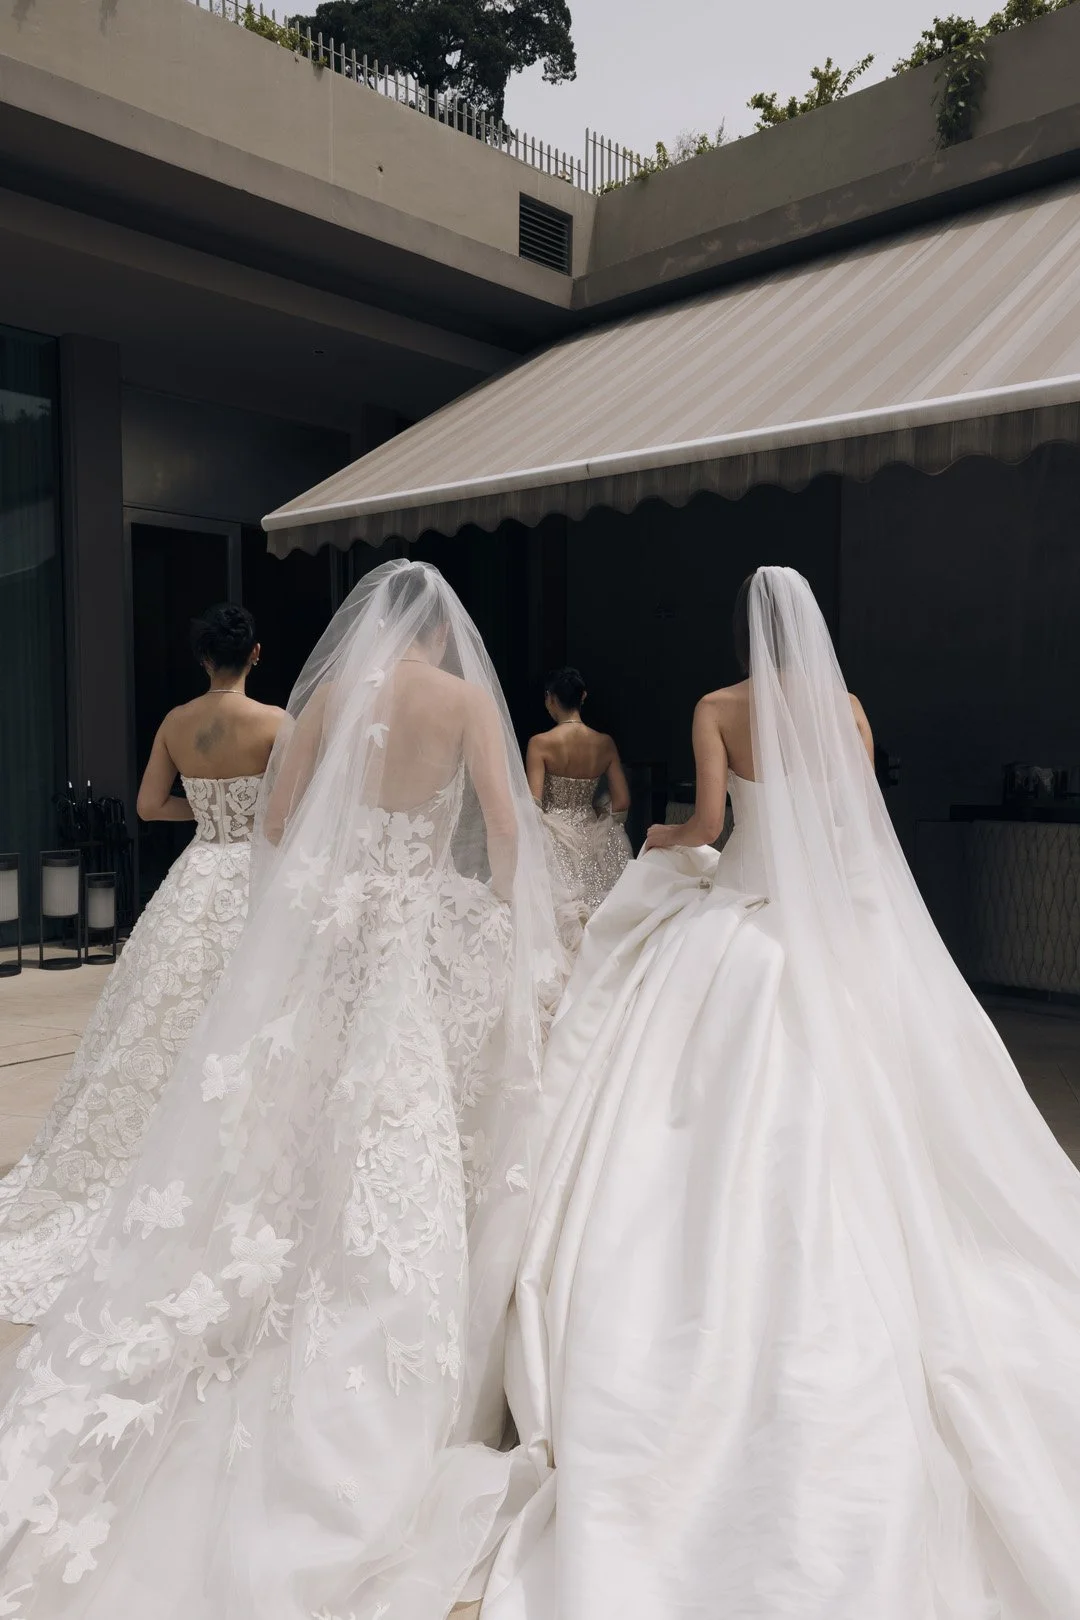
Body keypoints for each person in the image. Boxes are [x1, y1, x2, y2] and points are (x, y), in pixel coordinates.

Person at [482, 567, 1080, 1620]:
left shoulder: (719, 708)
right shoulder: (844, 709)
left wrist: (665, 842)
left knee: (692, 1091)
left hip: (749, 919)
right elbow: (854, 824)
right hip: (837, 923)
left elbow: (711, 825)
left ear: (742, 631)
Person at [0, 561, 563, 1620]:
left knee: (299, 1122)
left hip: (333, 947)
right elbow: (502, 824)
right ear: (440, 635)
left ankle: (274, 1290)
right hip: (405, 946)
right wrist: (497, 922)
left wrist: (322, 902)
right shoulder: (461, 702)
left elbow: (273, 827)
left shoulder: (332, 698)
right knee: (394, 1132)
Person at [0, 605, 283, 1326]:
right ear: (255, 653)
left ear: (202, 658)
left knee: (163, 1018)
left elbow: (151, 806)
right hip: (256, 876)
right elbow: (292, 812)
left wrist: (209, 814)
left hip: (197, 876)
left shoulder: (175, 722)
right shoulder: (278, 723)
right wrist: (248, 817)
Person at [526, 668, 631, 937]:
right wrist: (598, 815)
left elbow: (533, 803)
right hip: (591, 832)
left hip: (553, 836)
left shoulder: (540, 744)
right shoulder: (604, 743)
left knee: (555, 916)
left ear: (550, 698)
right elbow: (622, 801)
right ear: (582, 697)